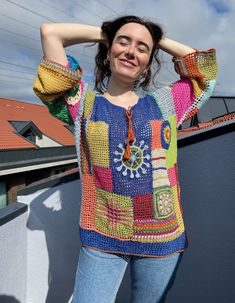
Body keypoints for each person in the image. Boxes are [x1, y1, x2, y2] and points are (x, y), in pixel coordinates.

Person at [33, 15, 217, 303]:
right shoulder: (83, 104)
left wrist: (157, 40)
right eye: (123, 42)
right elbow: (51, 33)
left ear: (147, 64)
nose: (131, 51)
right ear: (107, 51)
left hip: (162, 238)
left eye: (142, 48)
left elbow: (205, 70)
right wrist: (108, 34)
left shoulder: (165, 104)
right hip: (102, 238)